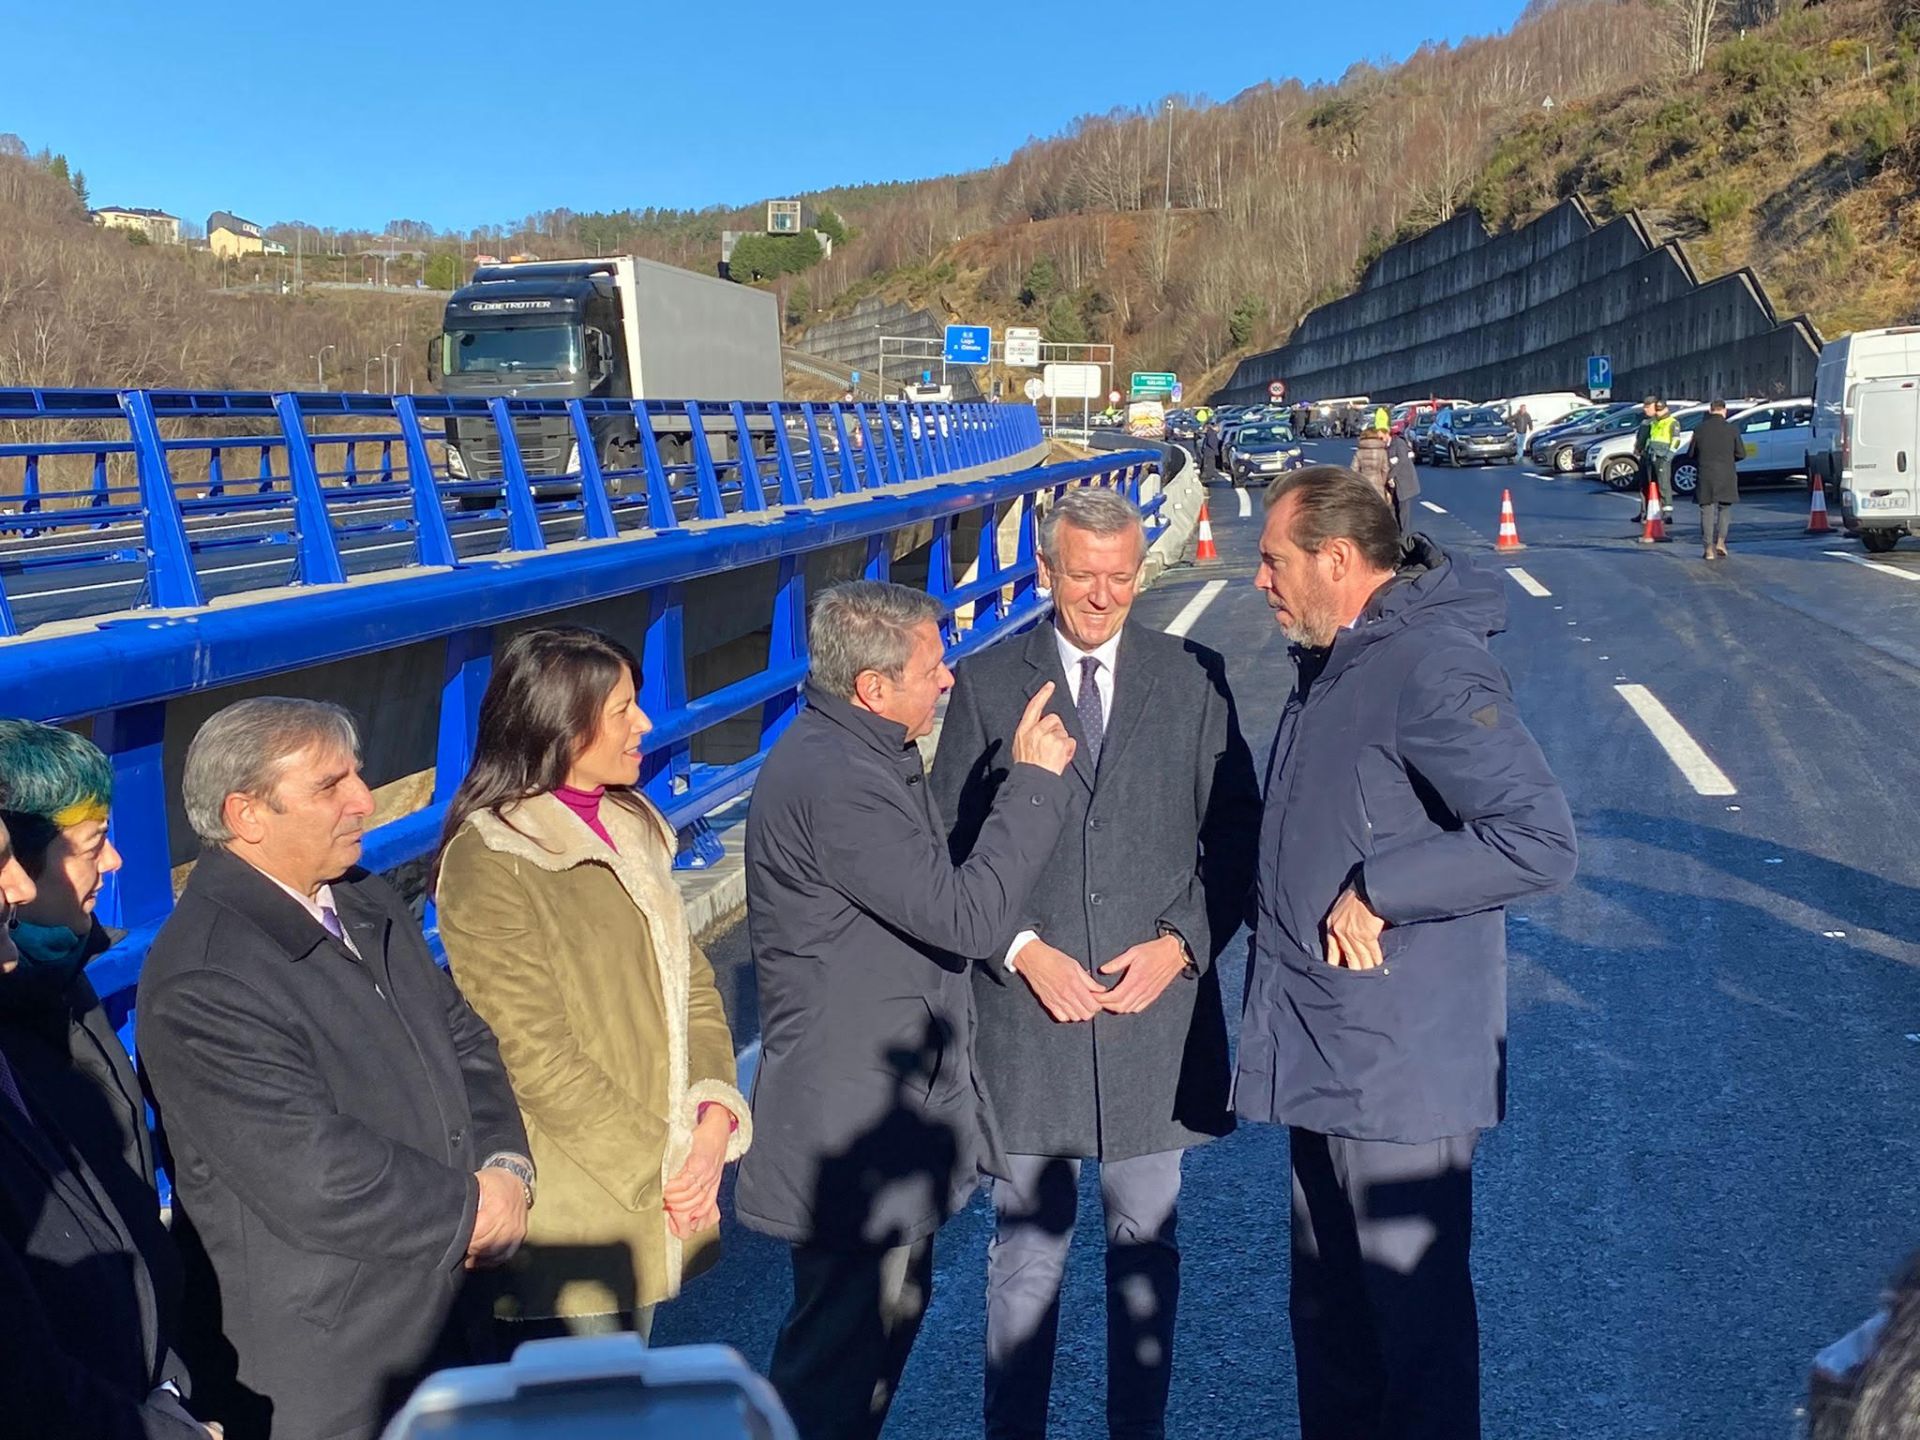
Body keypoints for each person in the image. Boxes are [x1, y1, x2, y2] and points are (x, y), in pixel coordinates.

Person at [1241, 468, 1577, 1440]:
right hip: (1328, 1051)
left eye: (1273, 561)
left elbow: (1537, 838)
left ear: (1336, 561)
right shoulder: (1341, 655)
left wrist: (1381, 891)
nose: (1262, 581)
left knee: (1412, 1351)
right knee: (1337, 1339)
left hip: (1396, 1071)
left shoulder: (1427, 662)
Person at [931, 488, 1259, 1440]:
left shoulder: (1195, 675)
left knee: (1146, 1248)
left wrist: (1183, 943)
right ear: (1047, 572)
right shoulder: (990, 686)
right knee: (1026, 1257)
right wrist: (1022, 951)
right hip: (1030, 1022)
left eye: (1122, 577)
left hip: (1151, 1021)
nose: (1105, 596)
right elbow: (947, 850)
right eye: (1084, 577)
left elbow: (1235, 834)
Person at [139, 698, 533, 1440]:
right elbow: (314, 1172)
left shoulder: (360, 898)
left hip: (444, 1301)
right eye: (330, 786)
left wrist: (508, 1167)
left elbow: (467, 1043)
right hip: (335, 1358)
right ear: (246, 814)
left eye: (357, 775)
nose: (362, 800)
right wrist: (471, 1210)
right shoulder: (206, 976)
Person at [736, 580, 1077, 1440]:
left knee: (878, 1337)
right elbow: (966, 917)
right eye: (934, 667)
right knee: (835, 1363)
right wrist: (1032, 786)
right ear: (873, 687)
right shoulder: (838, 780)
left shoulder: (864, 751)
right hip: (848, 1127)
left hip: (880, 1108)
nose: (950, 681)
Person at [434, 626, 751, 1345]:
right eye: (623, 711)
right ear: (560, 723)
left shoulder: (630, 824)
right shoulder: (492, 859)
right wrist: (667, 1161)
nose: (645, 724)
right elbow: (532, 1056)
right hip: (576, 1212)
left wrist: (710, 1124)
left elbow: (692, 983)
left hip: (657, 1187)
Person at [0, 817, 215, 1438]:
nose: (14, 887)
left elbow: (111, 1231)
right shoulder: (30, 1022)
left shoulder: (68, 988)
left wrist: (167, 1388)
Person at [1691, 398, 1741, 560]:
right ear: (1724, 411)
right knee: (1724, 509)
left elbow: (1691, 453)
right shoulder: (1732, 429)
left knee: (1706, 510)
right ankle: (1721, 542)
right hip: (1726, 474)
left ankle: (1708, 548)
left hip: (1706, 474)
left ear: (1710, 410)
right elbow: (1741, 453)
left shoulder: (1699, 429)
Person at [1634, 396, 1677, 522]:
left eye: (1648, 407)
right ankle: (1644, 511)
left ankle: (1665, 513)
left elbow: (1673, 439)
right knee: (1644, 484)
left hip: (1659, 456)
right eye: (1644, 407)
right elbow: (1641, 439)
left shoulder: (1660, 421)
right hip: (1646, 455)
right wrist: (1638, 449)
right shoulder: (1648, 422)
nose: (1645, 409)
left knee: (1662, 484)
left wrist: (1667, 455)